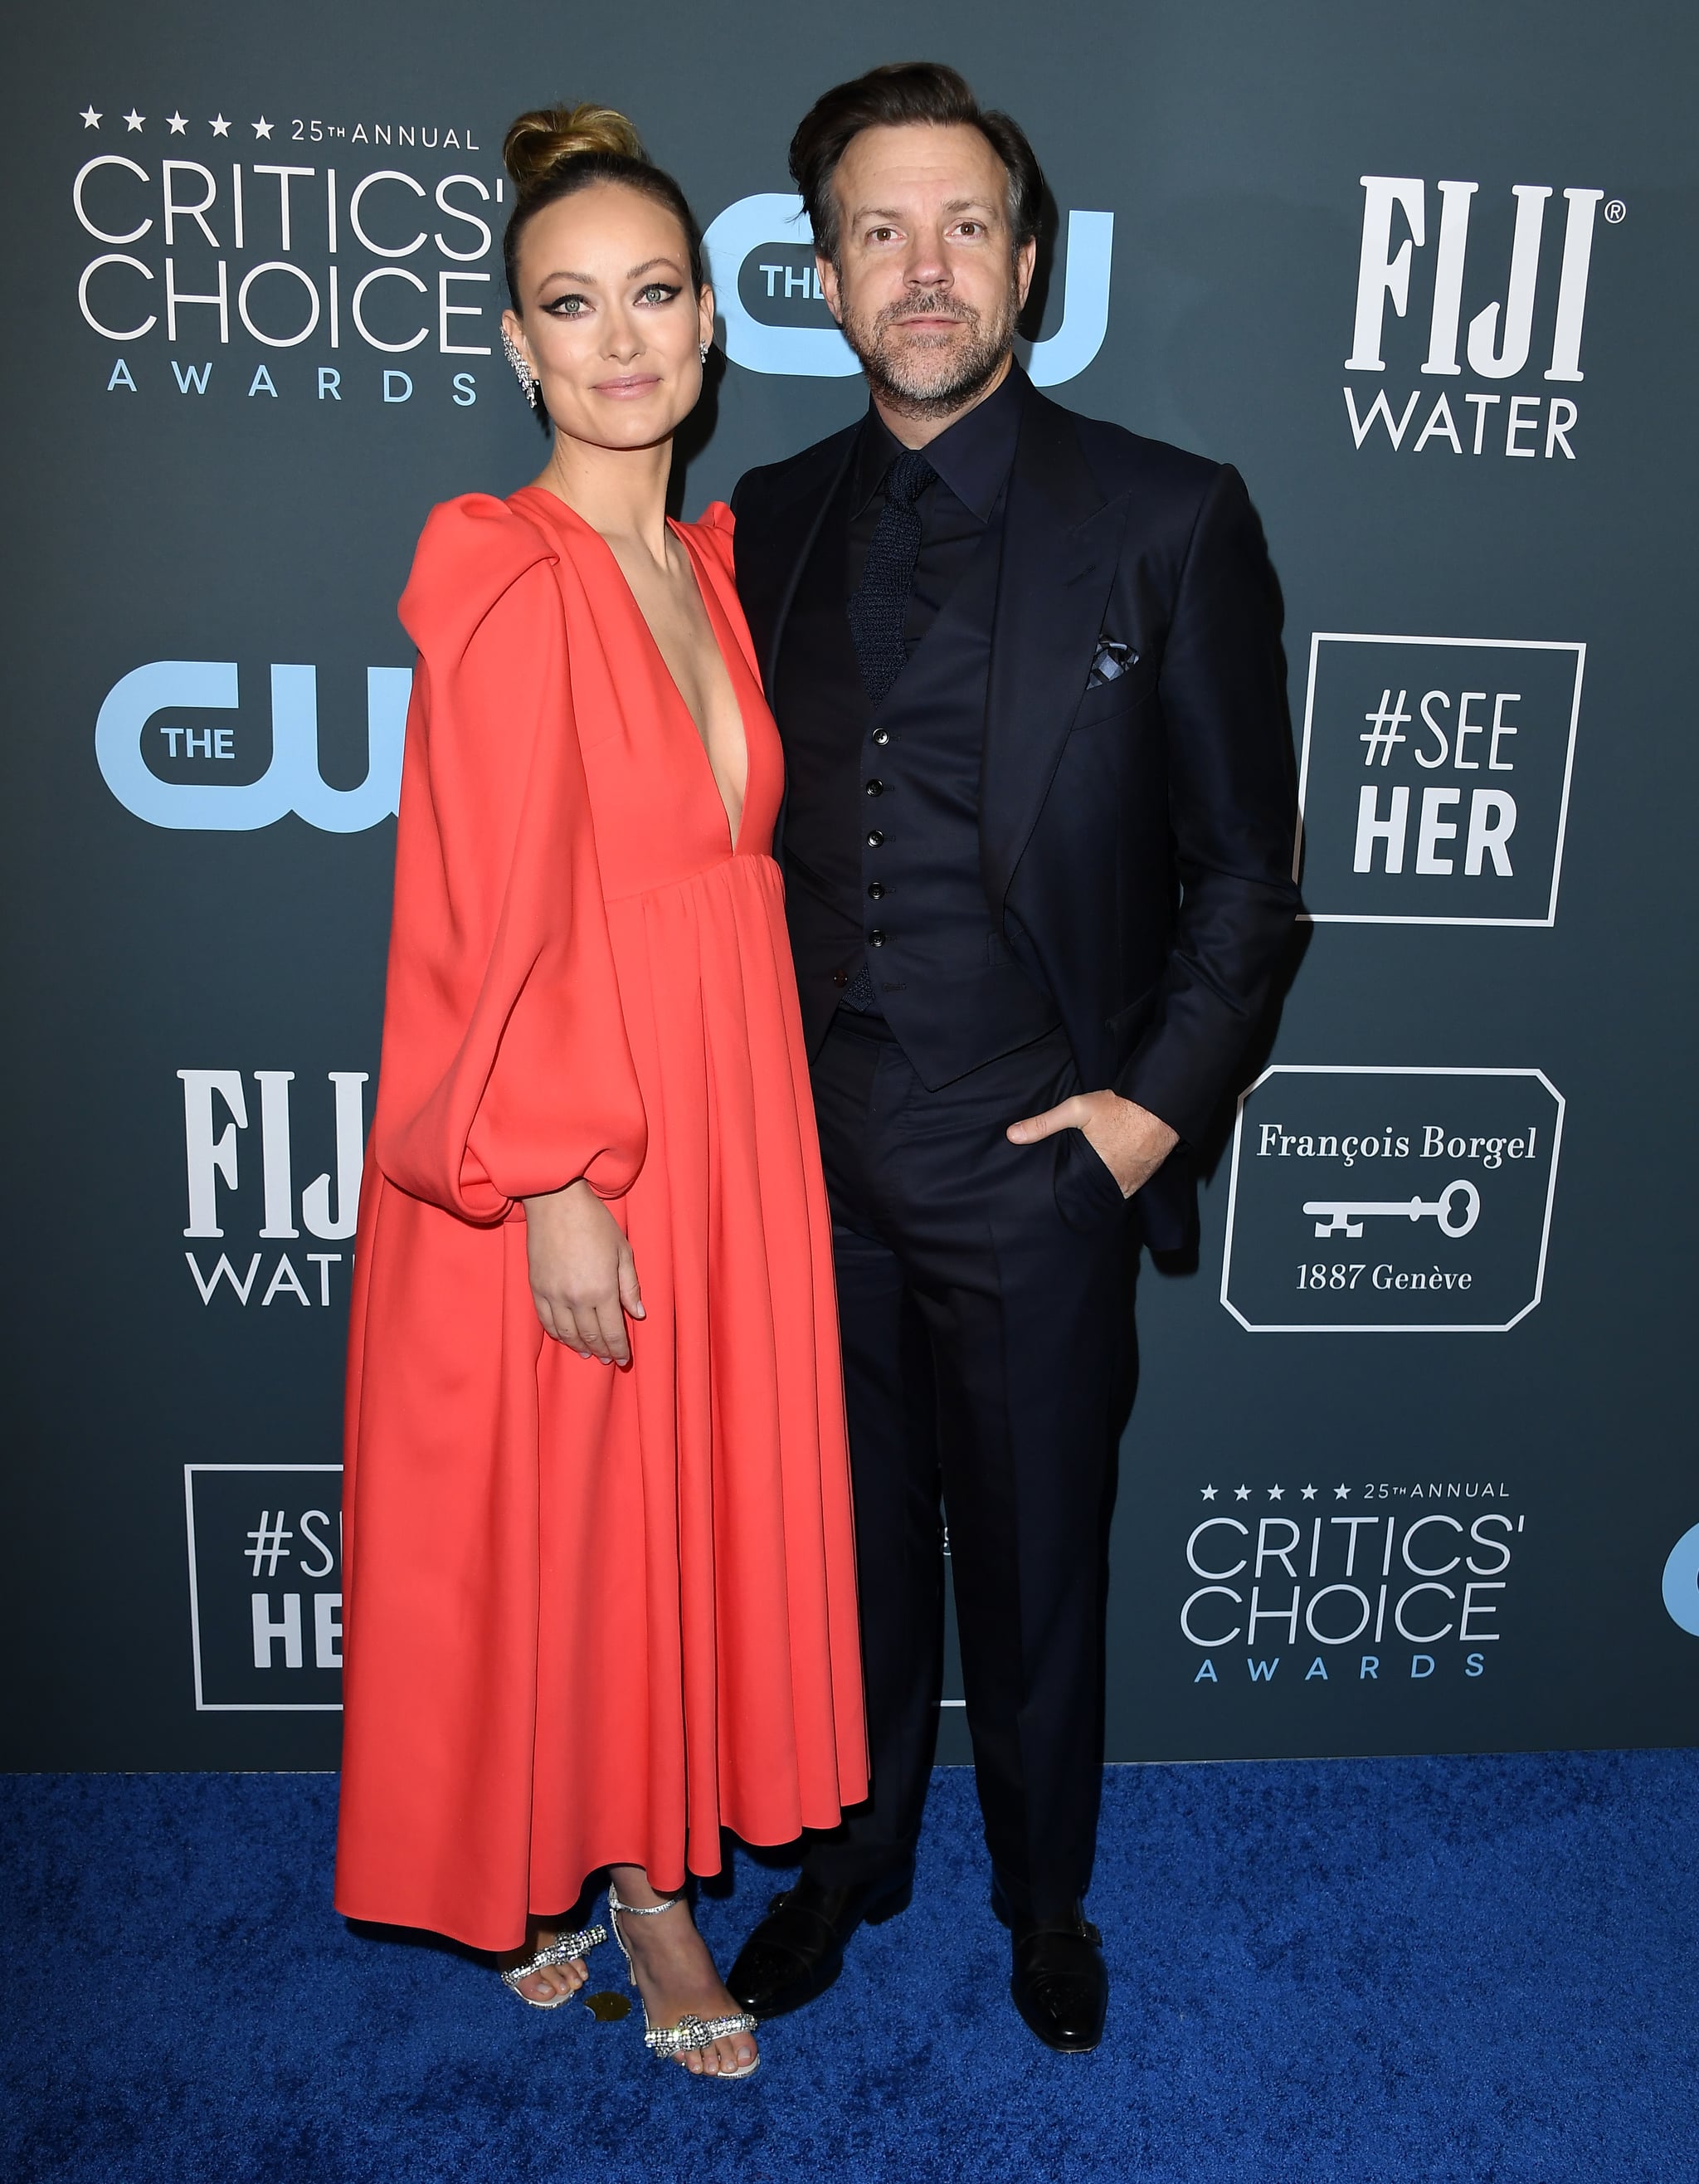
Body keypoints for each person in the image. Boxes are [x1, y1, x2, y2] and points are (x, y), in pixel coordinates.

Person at [723, 62, 1299, 2053]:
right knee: (844, 1554)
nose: (925, 267)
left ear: (1029, 260)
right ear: (821, 277)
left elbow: (1247, 881)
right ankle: (851, 1855)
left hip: (1037, 1150)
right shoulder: (766, 524)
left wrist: (1139, 1121)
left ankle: (1040, 1896)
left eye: (963, 223)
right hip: (810, 1156)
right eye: (878, 230)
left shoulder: (1168, 517)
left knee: (1040, 1563)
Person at [333, 103, 869, 2081]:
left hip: (723, 1102)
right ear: (513, 345)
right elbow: (482, 902)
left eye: (654, 293)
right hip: (570, 1127)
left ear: (713, 323)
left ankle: (578, 1855)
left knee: (643, 1516)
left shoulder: (711, 571)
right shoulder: (503, 575)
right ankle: (642, 1889)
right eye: (573, 305)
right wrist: (556, 1171)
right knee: (581, 1515)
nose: (621, 339)